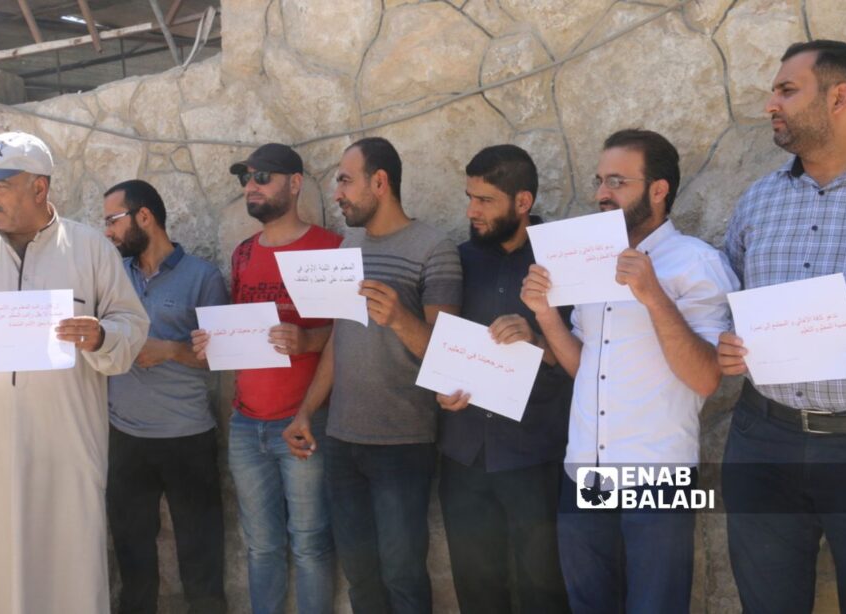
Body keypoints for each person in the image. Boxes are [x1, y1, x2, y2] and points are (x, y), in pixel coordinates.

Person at [0, 132, 149, 614]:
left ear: (39, 188)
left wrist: (100, 336)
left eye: (1, 183)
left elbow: (132, 325)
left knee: (67, 572)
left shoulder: (90, 249)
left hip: (66, 448)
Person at [522, 129, 738, 614]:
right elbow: (584, 366)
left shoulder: (697, 263)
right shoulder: (591, 264)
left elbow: (706, 378)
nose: (601, 193)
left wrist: (653, 293)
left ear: (657, 190)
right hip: (585, 473)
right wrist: (544, 313)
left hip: (658, 474)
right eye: (600, 180)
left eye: (617, 181)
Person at [717, 40, 846, 613]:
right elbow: (728, 302)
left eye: (786, 90)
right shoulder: (758, 201)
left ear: (839, 97)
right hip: (763, 440)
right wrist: (724, 344)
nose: (770, 105)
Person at [283, 137, 462, 614]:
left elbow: (450, 357)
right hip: (342, 441)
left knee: (402, 576)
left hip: (403, 444)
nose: (336, 193)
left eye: (345, 180)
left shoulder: (435, 248)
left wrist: (400, 319)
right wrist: (306, 412)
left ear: (379, 182)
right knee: (362, 579)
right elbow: (341, 342)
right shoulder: (350, 245)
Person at [192, 143, 340, 614]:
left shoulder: (329, 248)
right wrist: (211, 343)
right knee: (260, 547)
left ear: (295, 184)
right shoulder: (241, 255)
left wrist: (309, 342)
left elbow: (348, 335)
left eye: (262, 178)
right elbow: (243, 332)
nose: (250, 187)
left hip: (304, 422)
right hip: (245, 424)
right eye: (247, 178)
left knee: (311, 544)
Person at [436, 144, 572, 613]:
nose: (472, 211)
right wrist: (441, 387)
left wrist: (538, 342)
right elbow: (440, 344)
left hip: (535, 455)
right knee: (477, 593)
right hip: (463, 454)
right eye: (469, 197)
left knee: (545, 592)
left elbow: (591, 358)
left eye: (485, 200)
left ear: (523, 202)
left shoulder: (565, 261)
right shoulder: (456, 260)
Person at [102, 179, 228, 614]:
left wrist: (171, 350)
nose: (107, 232)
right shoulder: (112, 276)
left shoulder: (204, 277)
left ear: (144, 217)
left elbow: (223, 358)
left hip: (187, 437)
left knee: (201, 559)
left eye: (112, 221)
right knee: (133, 561)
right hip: (125, 437)